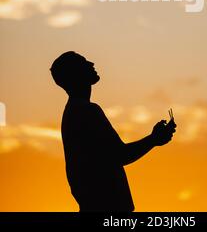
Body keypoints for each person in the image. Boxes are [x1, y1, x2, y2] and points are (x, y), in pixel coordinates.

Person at [50, 51, 176, 212]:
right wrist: (154, 139)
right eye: (84, 63)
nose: (91, 64)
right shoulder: (86, 111)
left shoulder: (73, 112)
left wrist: (154, 139)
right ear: (76, 74)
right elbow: (120, 155)